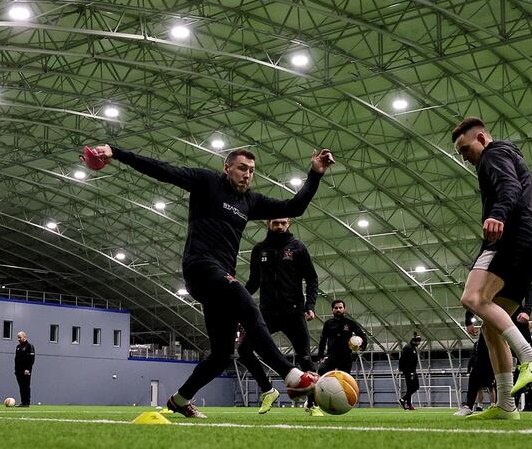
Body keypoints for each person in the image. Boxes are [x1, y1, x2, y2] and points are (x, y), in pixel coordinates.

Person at [84, 145, 335, 418]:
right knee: (248, 305)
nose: (247, 175)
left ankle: (180, 400)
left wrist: (315, 173)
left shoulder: (250, 202)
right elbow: (163, 170)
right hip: (200, 267)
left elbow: (294, 207)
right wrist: (118, 153)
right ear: (227, 168)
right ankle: (290, 374)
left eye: (251, 171)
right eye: (241, 168)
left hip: (220, 280)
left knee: (222, 354)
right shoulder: (206, 182)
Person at [453, 117, 532, 421]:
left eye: (465, 149)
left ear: (481, 138)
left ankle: (530, 358)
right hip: (531, 245)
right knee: (491, 326)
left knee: (472, 298)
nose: (464, 157)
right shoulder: (516, 160)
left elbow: (507, 186)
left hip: (510, 239)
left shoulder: (494, 154)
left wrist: (498, 215)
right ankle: (507, 405)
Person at [237, 217, 322, 415]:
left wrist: (309, 305)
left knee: (306, 359)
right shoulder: (259, 250)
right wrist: (236, 296)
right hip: (266, 313)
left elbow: (312, 278)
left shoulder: (298, 248)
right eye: (276, 223)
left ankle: (312, 403)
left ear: (289, 224)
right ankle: (268, 390)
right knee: (244, 349)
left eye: (283, 223)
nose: (280, 226)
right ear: (268, 223)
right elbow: (253, 282)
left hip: (293, 312)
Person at [454, 313, 495, 416]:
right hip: (489, 327)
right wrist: (468, 321)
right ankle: (470, 405)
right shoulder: (478, 344)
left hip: (503, 327)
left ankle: (499, 404)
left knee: (492, 387)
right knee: (476, 375)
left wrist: (526, 311)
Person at [317, 299, 368, 376]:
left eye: (340, 308)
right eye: (336, 308)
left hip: (346, 357)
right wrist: (320, 355)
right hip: (331, 355)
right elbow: (323, 339)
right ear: (332, 310)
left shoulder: (350, 323)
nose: (338, 310)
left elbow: (362, 335)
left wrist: (362, 346)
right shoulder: (328, 323)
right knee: (322, 371)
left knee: (343, 378)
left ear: (344, 309)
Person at [398, 332, 421, 410]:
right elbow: (402, 359)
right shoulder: (408, 348)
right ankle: (403, 400)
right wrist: (404, 370)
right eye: (418, 341)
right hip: (409, 371)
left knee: (412, 387)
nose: (419, 343)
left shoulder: (413, 348)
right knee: (414, 387)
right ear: (414, 340)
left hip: (412, 370)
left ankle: (408, 404)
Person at [14, 331, 35, 407]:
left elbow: (31, 359)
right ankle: (23, 402)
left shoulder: (30, 346)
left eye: (20, 337)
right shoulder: (18, 347)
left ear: (24, 337)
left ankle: (27, 402)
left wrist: (28, 369)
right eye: (18, 337)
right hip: (18, 371)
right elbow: (16, 359)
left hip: (26, 371)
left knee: (26, 386)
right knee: (21, 387)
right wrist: (16, 370)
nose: (18, 339)